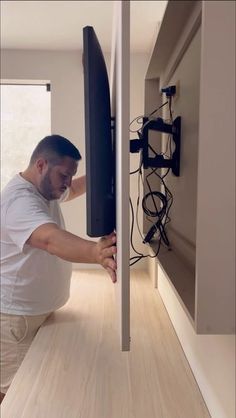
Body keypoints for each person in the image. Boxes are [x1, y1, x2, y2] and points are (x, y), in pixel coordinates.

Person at [0, 134, 117, 402]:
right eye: (63, 175)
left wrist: (103, 173)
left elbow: (72, 190)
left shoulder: (45, 188)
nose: (66, 183)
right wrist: (95, 252)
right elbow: (49, 239)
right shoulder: (19, 202)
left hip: (33, 312)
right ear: (41, 164)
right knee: (11, 392)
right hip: (14, 318)